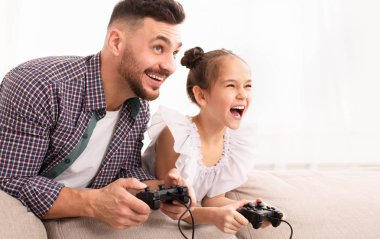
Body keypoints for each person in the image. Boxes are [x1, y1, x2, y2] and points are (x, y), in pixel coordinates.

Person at [0, 0, 196, 231]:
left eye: (174, 52)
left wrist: (161, 190)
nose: (171, 66)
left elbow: (125, 170)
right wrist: (93, 203)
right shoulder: (39, 85)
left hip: (74, 217)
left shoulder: (138, 106)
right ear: (116, 42)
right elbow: (10, 181)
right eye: (158, 48)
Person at [143, 47, 276, 234]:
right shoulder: (177, 136)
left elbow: (212, 199)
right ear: (201, 96)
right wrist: (214, 216)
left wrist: (245, 208)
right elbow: (172, 207)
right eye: (231, 85)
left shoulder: (232, 145)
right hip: (156, 222)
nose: (242, 95)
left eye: (247, 86)